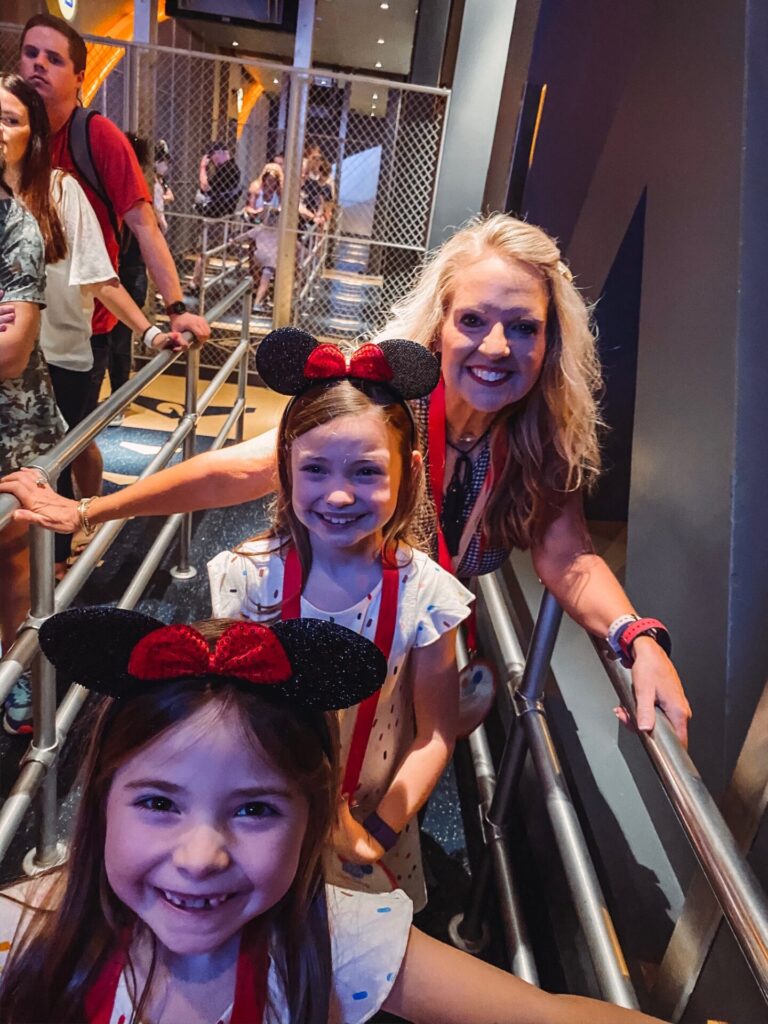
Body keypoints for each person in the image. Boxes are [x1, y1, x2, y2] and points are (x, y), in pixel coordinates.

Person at [0, 214, 692, 745]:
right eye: (474, 320)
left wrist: (637, 639)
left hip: (409, 652)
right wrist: (92, 511)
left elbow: (567, 554)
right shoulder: (384, 399)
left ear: (550, 342)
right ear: (441, 325)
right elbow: (243, 467)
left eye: (523, 327)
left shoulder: (539, 437)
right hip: (318, 630)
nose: (495, 347)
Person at [0, 604, 668, 1024]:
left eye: (256, 809)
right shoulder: (19, 934)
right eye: (158, 802)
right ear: (100, 804)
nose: (200, 856)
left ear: (315, 819)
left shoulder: (336, 939)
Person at [208, 331, 472, 909]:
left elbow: (433, 735)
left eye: (367, 472)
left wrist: (376, 833)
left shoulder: (427, 596)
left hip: (372, 824)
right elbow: (228, 718)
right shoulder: (246, 579)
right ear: (286, 470)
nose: (339, 495)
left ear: (410, 471)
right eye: (317, 470)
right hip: (264, 817)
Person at [18, 12, 210, 503]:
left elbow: (144, 225)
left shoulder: (96, 139)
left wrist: (174, 308)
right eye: (31, 54)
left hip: (87, 322)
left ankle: (73, 531)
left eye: (54, 59)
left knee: (69, 441)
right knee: (44, 446)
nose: (39, 65)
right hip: (22, 321)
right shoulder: (18, 146)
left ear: (79, 76)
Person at [0, 158, 63, 681]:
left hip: (11, 424)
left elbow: (11, 353)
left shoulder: (17, 229)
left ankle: (18, 675)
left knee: (12, 547)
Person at [241, 161, 282, 311]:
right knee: (254, 260)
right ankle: (256, 289)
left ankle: (263, 293)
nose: (270, 182)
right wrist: (258, 212)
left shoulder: (279, 192)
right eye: (268, 179)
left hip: (272, 230)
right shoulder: (256, 188)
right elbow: (248, 208)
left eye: (274, 180)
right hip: (257, 225)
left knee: (270, 264)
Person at [153, 138, 173, 236]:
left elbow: (171, 197)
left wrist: (160, 197)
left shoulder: (162, 180)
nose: (166, 166)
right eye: (164, 162)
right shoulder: (152, 181)